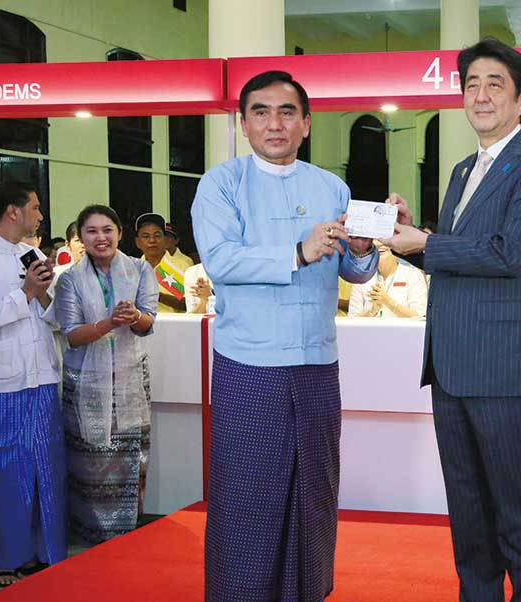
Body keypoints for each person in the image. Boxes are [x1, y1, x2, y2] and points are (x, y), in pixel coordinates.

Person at [383, 38, 521, 601]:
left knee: (517, 512)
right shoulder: (464, 169)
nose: (480, 95)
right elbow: (459, 255)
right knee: (468, 515)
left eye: (495, 84)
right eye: (471, 85)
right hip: (451, 367)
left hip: (505, 369)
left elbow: (513, 254)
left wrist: (427, 242)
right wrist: (411, 234)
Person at [191, 70, 378, 602]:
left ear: (306, 124)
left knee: (314, 489)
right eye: (261, 112)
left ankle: (308, 591)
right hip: (250, 362)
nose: (275, 124)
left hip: (317, 361)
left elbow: (353, 272)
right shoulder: (221, 183)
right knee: (247, 494)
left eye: (287, 112)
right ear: (244, 124)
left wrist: (362, 248)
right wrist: (297, 252)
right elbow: (220, 260)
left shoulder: (331, 187)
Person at [0, 181, 66, 587]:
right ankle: (6, 560)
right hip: (0, 383)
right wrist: (25, 293)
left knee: (45, 467)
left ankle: (45, 553)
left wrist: (44, 295)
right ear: (13, 211)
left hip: (42, 377)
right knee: (4, 472)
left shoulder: (33, 254)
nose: (40, 215)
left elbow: (54, 319)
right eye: (35, 207)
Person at [54, 204, 159, 543]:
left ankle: (125, 535)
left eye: (107, 230)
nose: (100, 237)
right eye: (91, 231)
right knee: (89, 460)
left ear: (119, 233)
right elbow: (72, 335)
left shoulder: (140, 270)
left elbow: (148, 324)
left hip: (129, 379)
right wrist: (108, 323)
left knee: (130, 459)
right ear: (81, 238)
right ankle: (89, 537)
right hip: (86, 382)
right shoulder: (69, 278)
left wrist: (134, 317)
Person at [348, 240, 427, 318]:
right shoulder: (360, 278)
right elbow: (351, 320)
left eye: (385, 238)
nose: (379, 243)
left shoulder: (413, 275)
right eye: (375, 239)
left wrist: (387, 301)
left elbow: (419, 316)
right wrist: (372, 312)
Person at [135, 213, 186, 313]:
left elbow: (189, 304)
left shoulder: (182, 265)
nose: (152, 240)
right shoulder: (132, 269)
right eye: (146, 236)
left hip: (174, 322)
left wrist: (155, 295)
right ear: (138, 242)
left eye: (157, 235)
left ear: (164, 239)